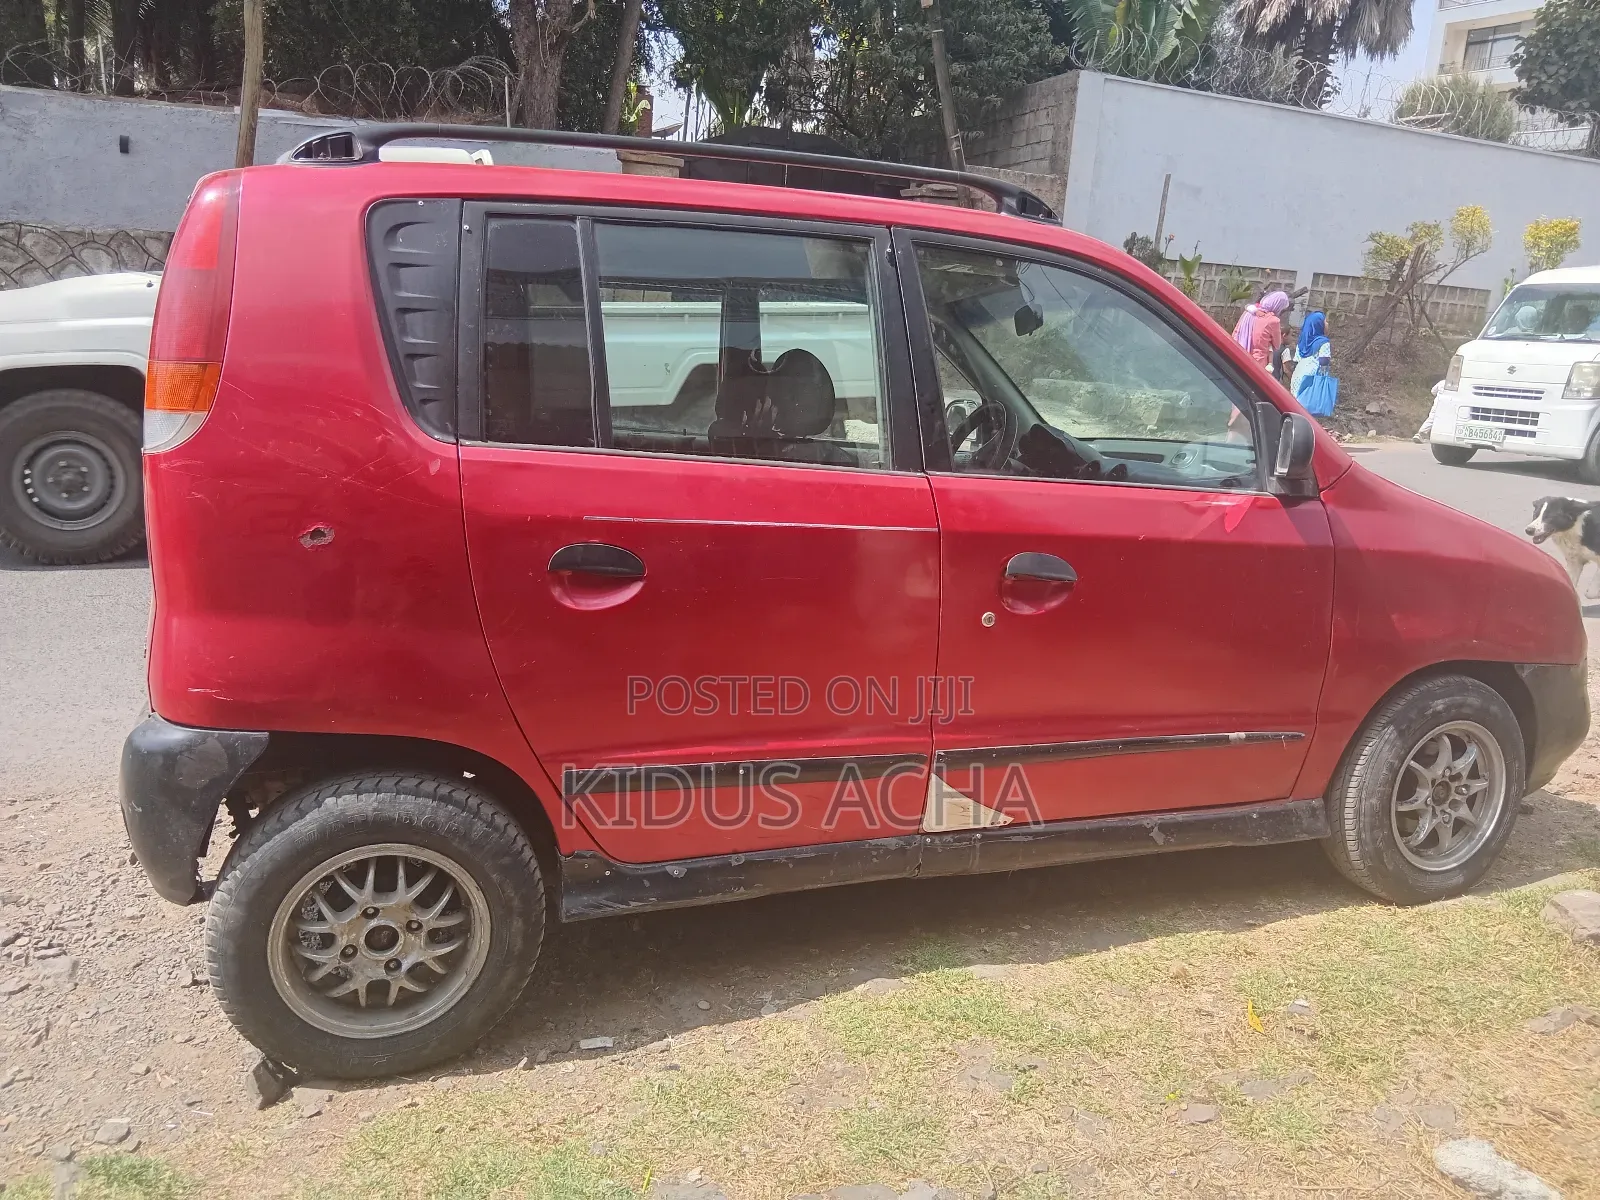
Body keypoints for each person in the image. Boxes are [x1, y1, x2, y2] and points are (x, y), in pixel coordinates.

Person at [1232, 290, 1291, 376]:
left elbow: (1235, 333)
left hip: (1238, 356)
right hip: (1258, 364)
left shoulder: (1248, 313)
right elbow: (1277, 345)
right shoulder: (1273, 321)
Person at [1290, 311, 1330, 397]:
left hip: (1298, 376)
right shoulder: (1323, 342)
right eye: (1325, 321)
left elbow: (1296, 361)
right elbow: (1324, 363)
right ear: (1318, 325)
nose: (1327, 324)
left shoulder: (1302, 342)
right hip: (1313, 380)